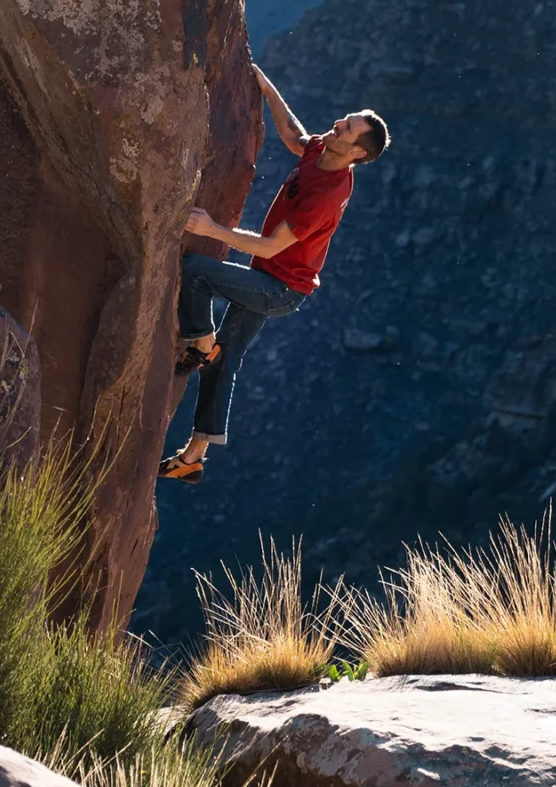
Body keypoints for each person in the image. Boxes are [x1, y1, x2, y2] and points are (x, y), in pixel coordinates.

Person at [158, 65, 390, 484]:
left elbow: (269, 247)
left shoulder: (328, 195)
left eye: (348, 128)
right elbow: (293, 135)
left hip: (279, 289)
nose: (338, 124)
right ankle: (193, 457)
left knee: (195, 271)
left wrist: (212, 229)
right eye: (345, 119)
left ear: (358, 152)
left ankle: (201, 343)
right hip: (269, 275)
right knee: (225, 359)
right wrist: (267, 88)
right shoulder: (324, 150)